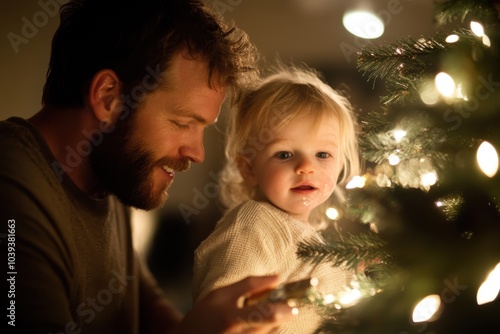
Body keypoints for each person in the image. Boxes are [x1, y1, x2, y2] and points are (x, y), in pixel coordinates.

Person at [0, 0, 295, 333]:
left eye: (203, 128)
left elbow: (146, 306)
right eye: (183, 121)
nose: (196, 152)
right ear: (109, 97)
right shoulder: (11, 180)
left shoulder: (110, 176)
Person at [192, 65, 362, 333]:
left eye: (322, 155)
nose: (306, 167)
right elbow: (222, 316)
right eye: (284, 154)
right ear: (248, 167)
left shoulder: (308, 237)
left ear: (341, 162)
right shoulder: (253, 226)